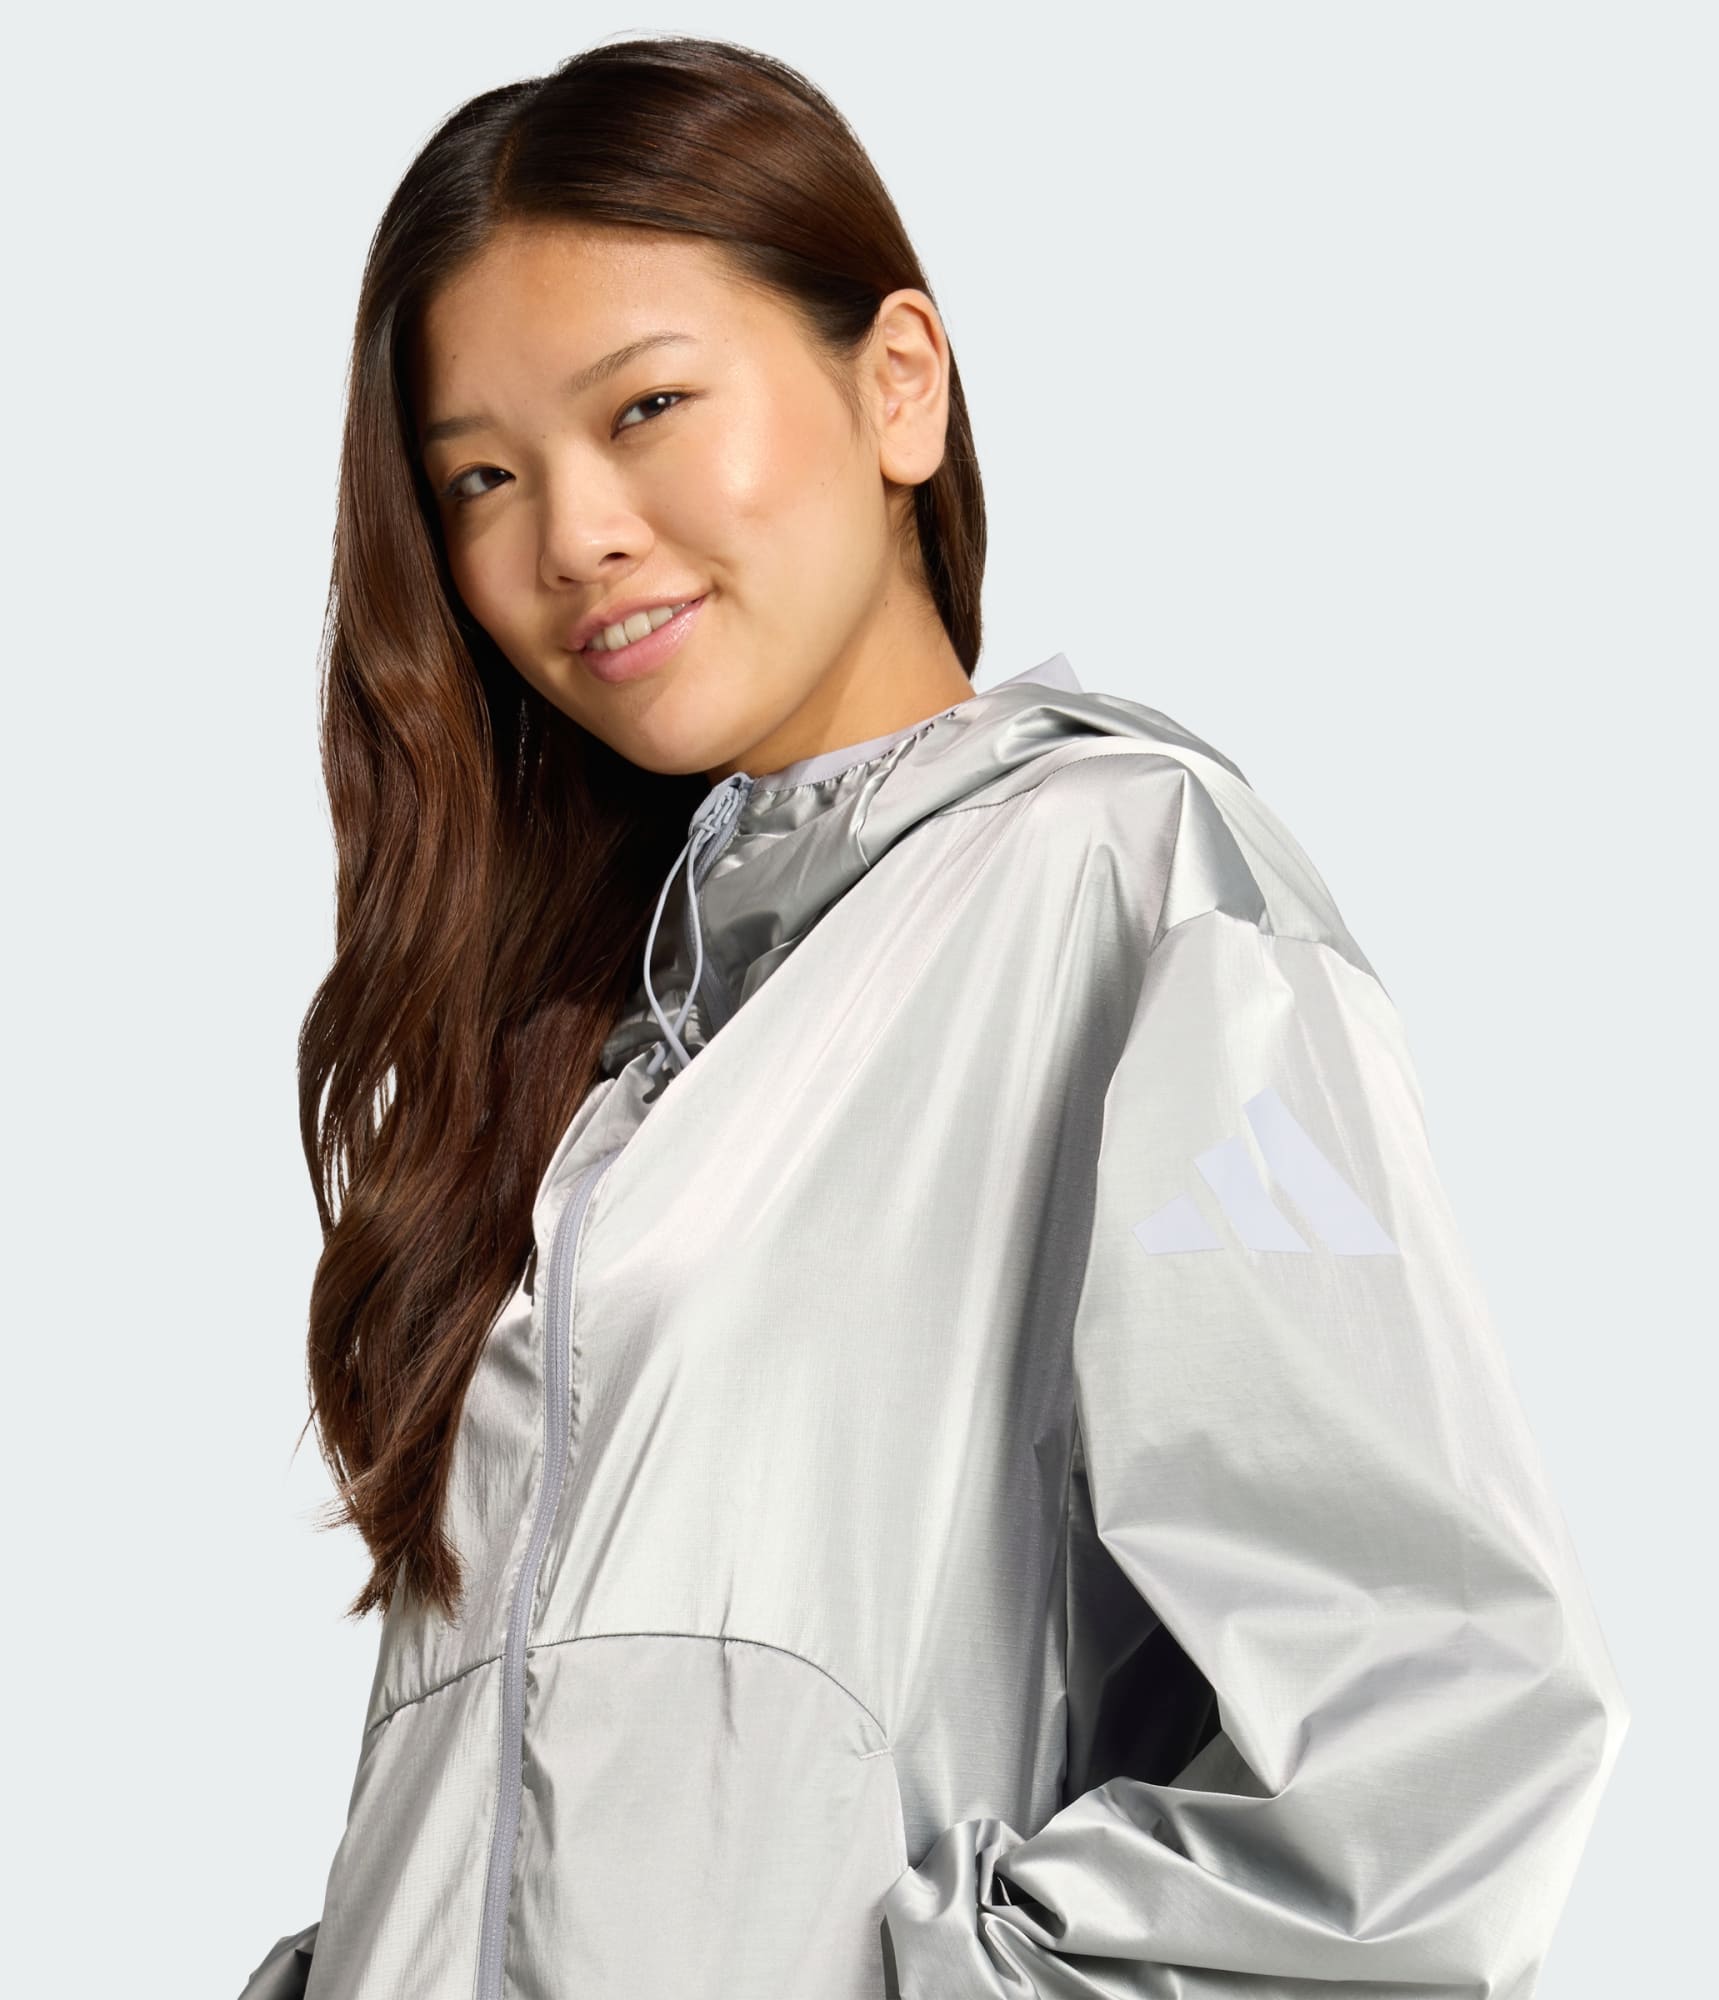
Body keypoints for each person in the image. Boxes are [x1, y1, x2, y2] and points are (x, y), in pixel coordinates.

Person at [235, 34, 1630, 2000]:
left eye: (646, 407)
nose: (572, 535)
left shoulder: (1136, 895)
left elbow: (1436, 1749)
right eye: (482, 477)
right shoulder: (595, 1056)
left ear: (898, 383)